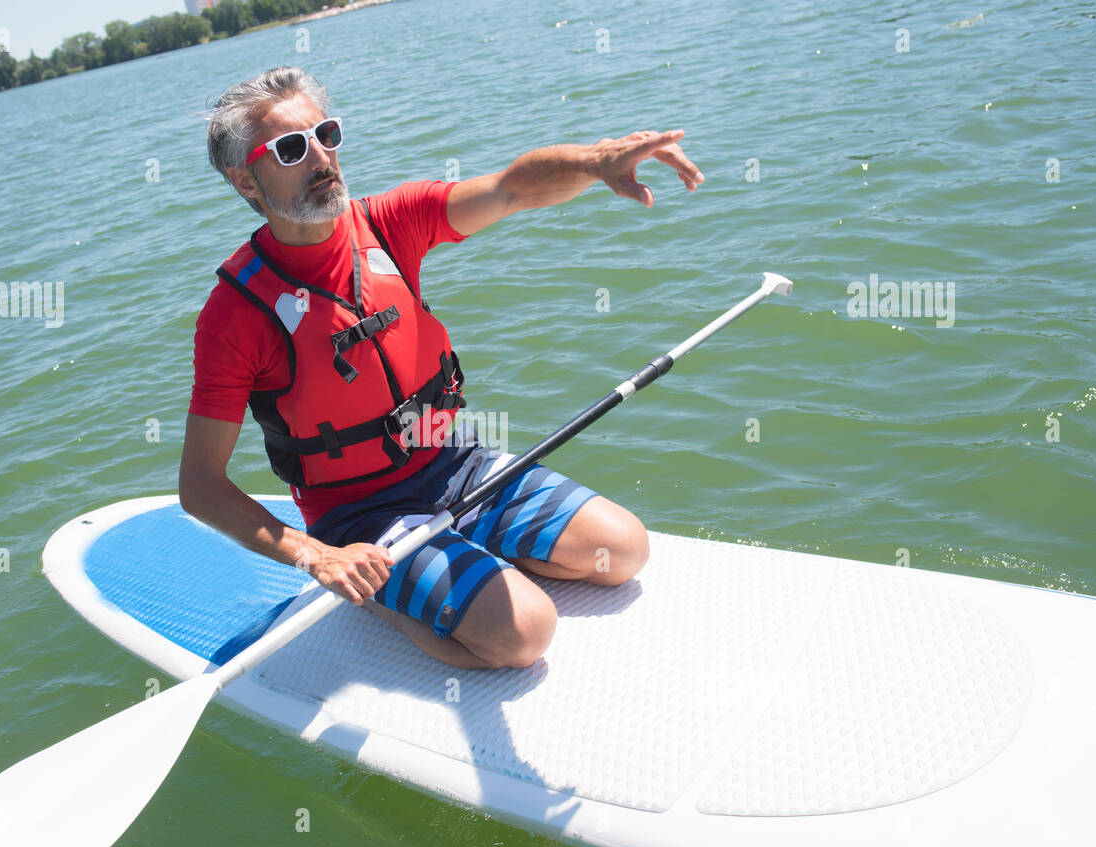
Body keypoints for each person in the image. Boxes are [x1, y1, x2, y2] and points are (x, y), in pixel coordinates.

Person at [181, 66, 704, 670]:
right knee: (524, 634)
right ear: (246, 179)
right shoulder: (234, 315)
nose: (322, 157)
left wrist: (594, 162)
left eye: (327, 134)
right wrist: (316, 557)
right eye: (293, 149)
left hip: (460, 463)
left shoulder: (390, 222)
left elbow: (513, 188)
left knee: (624, 551)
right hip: (360, 514)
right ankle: (380, 598)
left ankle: (468, 550)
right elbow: (200, 486)